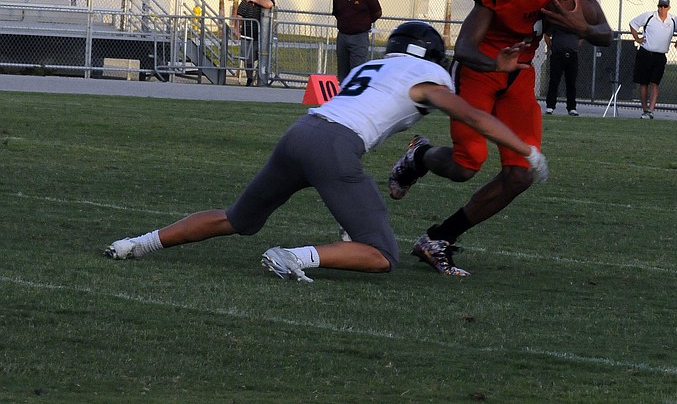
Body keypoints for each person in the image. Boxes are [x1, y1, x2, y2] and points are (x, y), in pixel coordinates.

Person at [104, 21, 548, 282]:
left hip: (303, 131)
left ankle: (137, 243)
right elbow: (474, 117)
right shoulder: (428, 79)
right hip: (335, 148)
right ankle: (295, 256)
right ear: (434, 56)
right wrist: (524, 148)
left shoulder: (376, 65)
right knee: (382, 253)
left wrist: (492, 64)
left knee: (236, 219)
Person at [388, 0, 611, 276]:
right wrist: (496, 63)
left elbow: (606, 34)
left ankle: (439, 238)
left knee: (521, 173)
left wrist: (583, 27)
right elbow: (465, 48)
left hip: (520, 74)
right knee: (466, 165)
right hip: (482, 70)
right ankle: (419, 156)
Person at [628, 0, 677, 119]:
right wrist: (637, 38)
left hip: (660, 56)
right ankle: (644, 109)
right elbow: (633, 24)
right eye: (660, 6)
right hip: (645, 53)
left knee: (655, 83)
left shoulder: (673, 20)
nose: (662, 9)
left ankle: (651, 110)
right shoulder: (649, 16)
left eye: (664, 6)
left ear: (668, 7)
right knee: (643, 83)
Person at [332, 0, 382, 81]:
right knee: (342, 71)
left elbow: (378, 12)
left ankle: (355, 94)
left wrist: (364, 23)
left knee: (357, 71)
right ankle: (343, 94)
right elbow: (337, 13)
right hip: (343, 37)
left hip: (359, 38)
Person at [235, 0, 275, 86]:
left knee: (263, 57)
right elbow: (239, 15)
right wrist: (237, 30)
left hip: (263, 38)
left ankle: (261, 79)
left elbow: (269, 4)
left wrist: (255, 1)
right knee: (248, 59)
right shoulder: (246, 0)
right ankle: (249, 78)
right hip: (247, 35)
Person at [544, 27, 581, 116]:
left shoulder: (576, 22)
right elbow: (546, 35)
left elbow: (582, 36)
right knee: (554, 81)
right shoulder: (556, 21)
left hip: (572, 56)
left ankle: (571, 107)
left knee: (571, 83)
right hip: (557, 55)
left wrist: (575, 47)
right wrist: (550, 47)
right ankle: (550, 106)